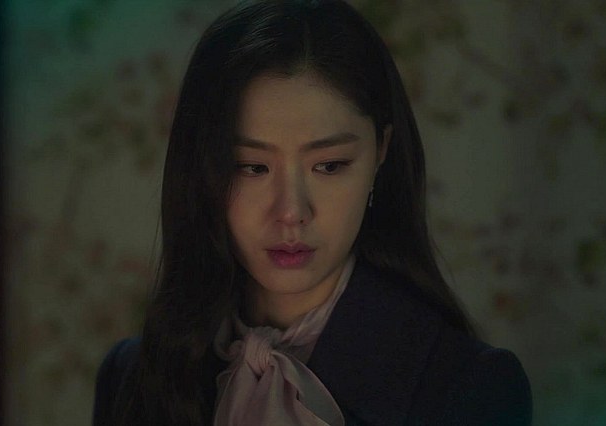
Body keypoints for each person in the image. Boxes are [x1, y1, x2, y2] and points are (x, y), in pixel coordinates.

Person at [92, 0, 532, 425]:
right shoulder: (132, 376)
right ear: (203, 168)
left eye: (330, 166)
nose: (291, 212)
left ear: (380, 151)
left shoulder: (468, 388)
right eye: (252, 167)